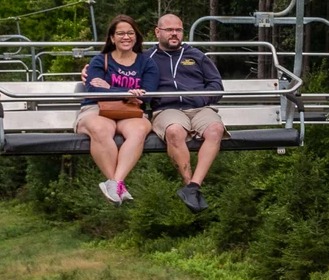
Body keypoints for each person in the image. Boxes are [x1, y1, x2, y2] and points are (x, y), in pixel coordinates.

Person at [77, 15, 159, 205]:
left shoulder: (146, 63)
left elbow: (148, 94)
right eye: (120, 33)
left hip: (130, 111)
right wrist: (125, 93)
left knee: (139, 130)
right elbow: (93, 89)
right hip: (96, 108)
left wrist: (110, 89)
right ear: (112, 38)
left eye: (130, 33)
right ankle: (118, 185)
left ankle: (115, 182)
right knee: (100, 129)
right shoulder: (100, 60)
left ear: (136, 37)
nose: (126, 37)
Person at [149, 13, 226, 212]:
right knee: (174, 131)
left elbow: (216, 86)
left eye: (178, 30)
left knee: (216, 129)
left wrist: (201, 98)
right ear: (158, 32)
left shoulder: (197, 56)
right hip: (167, 108)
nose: (174, 34)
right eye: (169, 30)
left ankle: (193, 188)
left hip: (199, 108)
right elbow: (121, 71)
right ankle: (188, 183)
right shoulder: (146, 58)